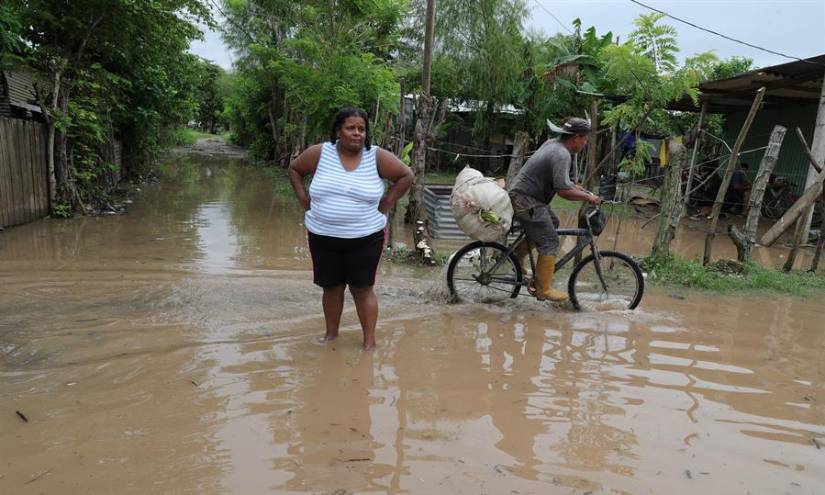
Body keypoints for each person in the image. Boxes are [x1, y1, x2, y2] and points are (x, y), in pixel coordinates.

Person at [288, 107, 413, 350]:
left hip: (365, 238)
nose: (357, 133)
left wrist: (386, 204)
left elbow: (405, 176)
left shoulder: (376, 157)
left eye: (361, 129)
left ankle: (369, 344)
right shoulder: (320, 153)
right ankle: (331, 336)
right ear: (338, 131)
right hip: (322, 236)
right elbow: (294, 169)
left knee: (362, 289)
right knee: (331, 288)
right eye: (351, 128)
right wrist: (304, 200)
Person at [508, 117, 601, 302]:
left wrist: (579, 189)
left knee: (554, 222)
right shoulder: (562, 154)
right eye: (584, 139)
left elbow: (564, 182)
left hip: (525, 197)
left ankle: (518, 254)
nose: (585, 143)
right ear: (575, 137)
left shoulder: (553, 144)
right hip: (527, 201)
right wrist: (588, 197)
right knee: (550, 241)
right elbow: (563, 191)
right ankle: (543, 289)